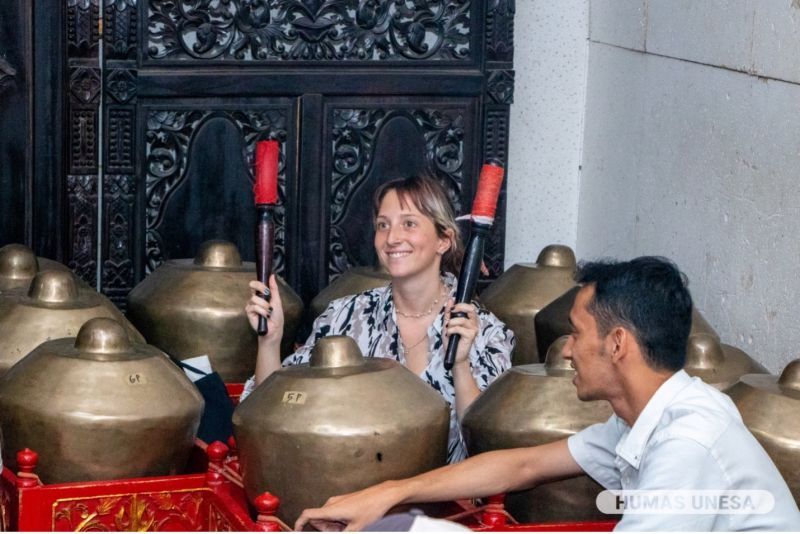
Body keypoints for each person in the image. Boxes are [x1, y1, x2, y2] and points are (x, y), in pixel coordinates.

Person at [294, 257, 800, 531]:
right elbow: (524, 466)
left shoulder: (688, 441)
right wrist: (389, 494)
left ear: (618, 344)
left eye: (578, 333)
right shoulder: (645, 419)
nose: (568, 349)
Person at [244, 174, 514, 463]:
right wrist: (270, 343)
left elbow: (487, 449)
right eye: (383, 225)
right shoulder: (344, 317)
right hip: (354, 488)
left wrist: (460, 365)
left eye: (409, 223)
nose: (392, 238)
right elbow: (275, 408)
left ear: (444, 240)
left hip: (446, 499)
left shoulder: (485, 331)